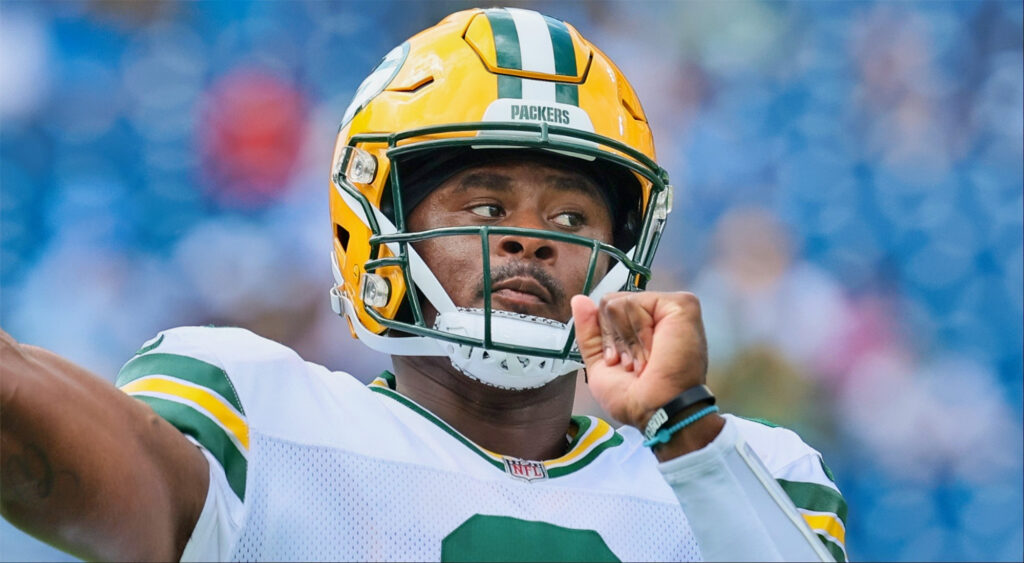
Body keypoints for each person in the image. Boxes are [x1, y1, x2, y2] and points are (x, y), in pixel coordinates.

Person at [0, 7, 847, 562]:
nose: (530, 240)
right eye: (485, 204)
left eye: (571, 221)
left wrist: (684, 430)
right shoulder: (263, 415)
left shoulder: (736, 471)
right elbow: (52, 457)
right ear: (371, 225)